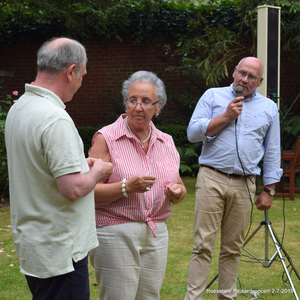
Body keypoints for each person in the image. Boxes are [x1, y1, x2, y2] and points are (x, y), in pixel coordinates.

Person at [5, 37, 113, 300]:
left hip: (35, 245)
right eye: (82, 76)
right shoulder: (55, 118)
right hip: (60, 252)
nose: (80, 83)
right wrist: (98, 171)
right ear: (71, 71)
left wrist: (79, 166)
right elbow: (73, 189)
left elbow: (39, 166)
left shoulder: (20, 108)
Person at [184, 57, 282, 300]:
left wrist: (268, 189)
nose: (244, 80)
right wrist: (225, 117)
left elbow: (272, 150)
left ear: (259, 82)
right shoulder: (212, 96)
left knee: (232, 249)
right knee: (203, 246)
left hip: (245, 184)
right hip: (211, 178)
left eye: (251, 77)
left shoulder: (269, 108)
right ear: (234, 73)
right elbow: (192, 133)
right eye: (242, 73)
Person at [88, 70, 186, 300]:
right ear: (125, 102)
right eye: (133, 100)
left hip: (156, 233)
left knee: (150, 296)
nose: (138, 107)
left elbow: (180, 187)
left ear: (158, 107)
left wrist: (178, 192)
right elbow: (89, 191)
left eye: (145, 101)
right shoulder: (107, 138)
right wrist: (127, 187)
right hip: (114, 232)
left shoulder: (166, 141)